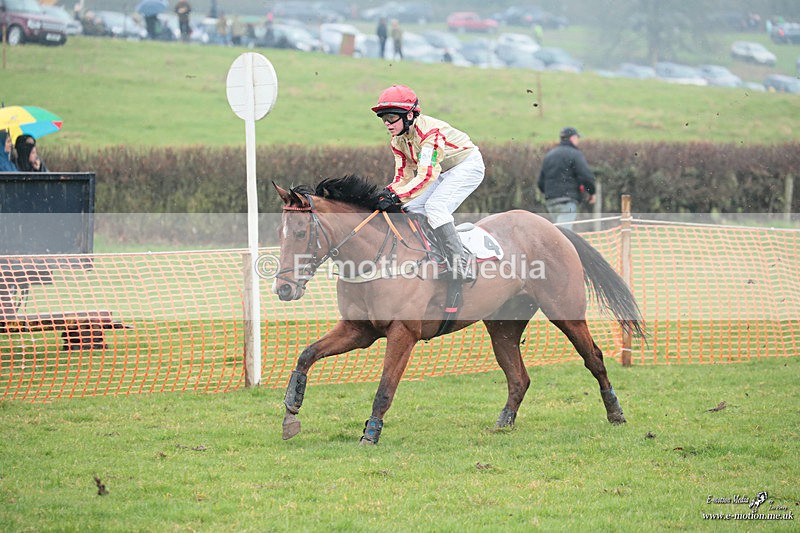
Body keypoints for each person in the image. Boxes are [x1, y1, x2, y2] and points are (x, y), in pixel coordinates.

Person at [371, 85, 485, 280]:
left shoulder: (430, 133)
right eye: (384, 119)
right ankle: (433, 254)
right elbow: (403, 177)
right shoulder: (397, 140)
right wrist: (387, 193)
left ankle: (460, 263)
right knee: (410, 208)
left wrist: (396, 196)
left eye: (391, 118)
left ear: (408, 116)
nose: (387, 124)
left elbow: (426, 175)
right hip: (442, 170)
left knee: (435, 207)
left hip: (466, 165)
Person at [537, 126, 596, 231]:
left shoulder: (549, 155)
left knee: (558, 232)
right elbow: (586, 176)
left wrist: (550, 193)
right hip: (567, 201)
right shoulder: (575, 154)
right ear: (572, 138)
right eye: (577, 137)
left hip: (551, 202)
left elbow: (540, 182)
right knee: (563, 235)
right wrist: (591, 192)